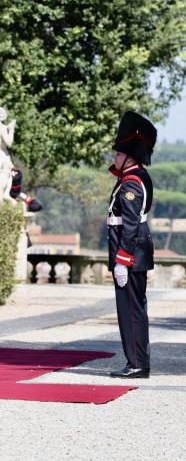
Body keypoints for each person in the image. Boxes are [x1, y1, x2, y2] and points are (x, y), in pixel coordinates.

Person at [107, 111, 156, 379]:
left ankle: (137, 363)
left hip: (130, 255)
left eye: (118, 153)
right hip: (134, 254)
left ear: (130, 155)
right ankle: (137, 361)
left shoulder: (132, 182)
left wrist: (122, 260)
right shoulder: (132, 177)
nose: (114, 157)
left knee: (131, 311)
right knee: (133, 309)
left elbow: (130, 224)